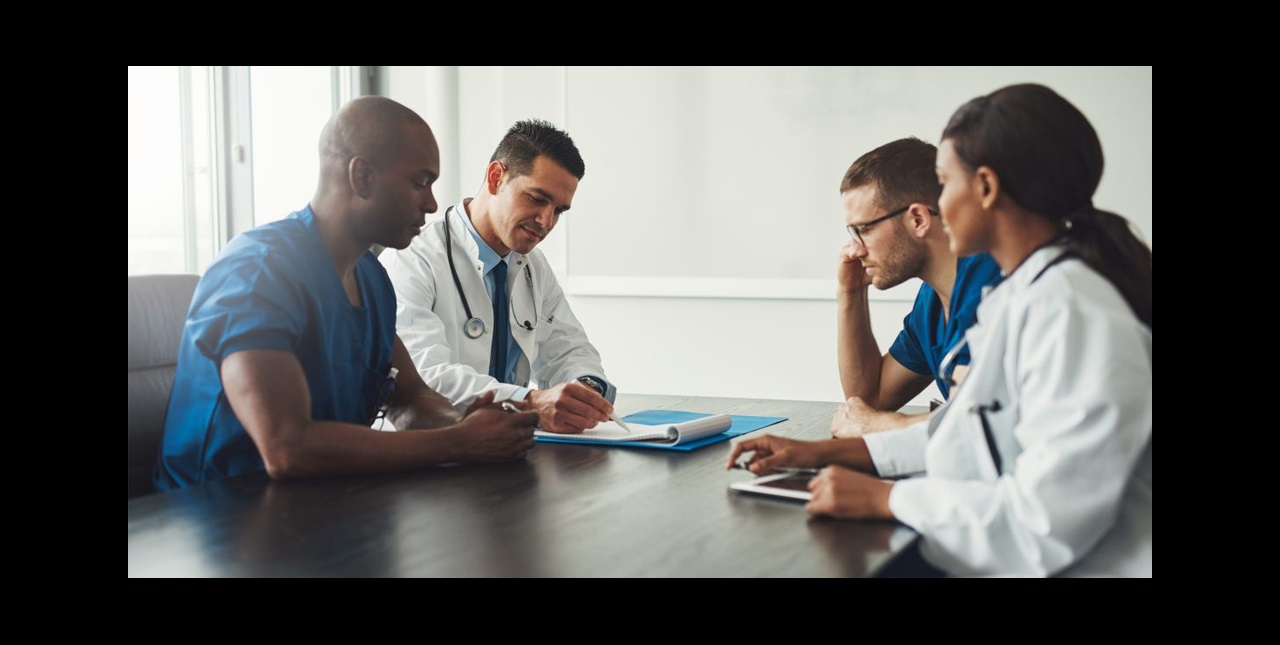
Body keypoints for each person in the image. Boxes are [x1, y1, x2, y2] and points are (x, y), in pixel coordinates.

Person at [728, 84, 1152, 577]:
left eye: (946, 183)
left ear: (987, 188)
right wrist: (820, 453)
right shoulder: (1021, 297)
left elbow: (1043, 529)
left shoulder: (1073, 312)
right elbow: (969, 437)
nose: (938, 205)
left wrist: (890, 498)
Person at [154, 96, 539, 491]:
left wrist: (466, 420)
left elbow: (409, 399)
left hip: (321, 508)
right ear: (362, 177)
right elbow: (288, 447)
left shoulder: (370, 278)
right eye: (420, 182)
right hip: (214, 521)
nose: (432, 203)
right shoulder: (257, 271)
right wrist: (457, 442)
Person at [379, 119, 615, 434]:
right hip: (426, 456)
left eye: (559, 210)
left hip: (503, 448)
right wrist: (529, 402)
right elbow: (425, 379)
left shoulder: (533, 265)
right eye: (536, 198)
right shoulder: (412, 258)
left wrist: (585, 389)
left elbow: (570, 347)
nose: (546, 221)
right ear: (496, 178)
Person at [831, 137, 1001, 438]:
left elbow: (990, 421)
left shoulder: (996, 286)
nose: (854, 249)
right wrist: (851, 294)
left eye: (864, 229)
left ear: (919, 219)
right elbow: (868, 399)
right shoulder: (932, 302)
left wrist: (877, 424)